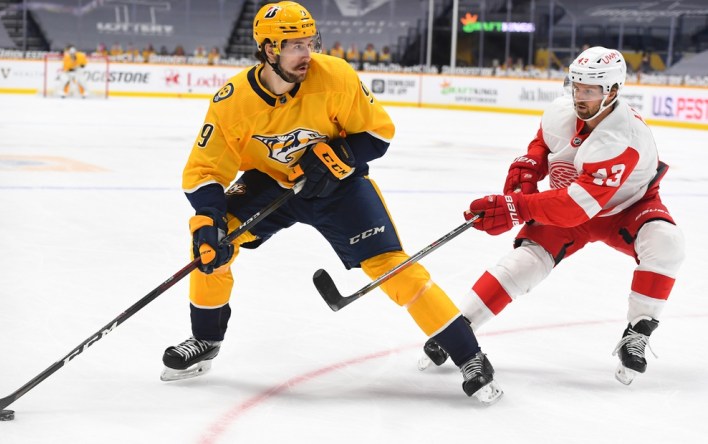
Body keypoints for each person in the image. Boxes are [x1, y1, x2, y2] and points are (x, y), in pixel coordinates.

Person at [160, 1, 503, 405]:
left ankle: (470, 356)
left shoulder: (335, 76)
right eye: (294, 45)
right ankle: (205, 339)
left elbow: (377, 135)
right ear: (268, 50)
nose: (307, 53)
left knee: (393, 268)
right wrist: (208, 222)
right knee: (212, 248)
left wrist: (337, 156)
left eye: (310, 42)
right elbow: (204, 172)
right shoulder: (231, 101)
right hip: (271, 184)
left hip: (338, 190)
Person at [418, 46, 685, 386]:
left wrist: (517, 207)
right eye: (576, 86)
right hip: (573, 200)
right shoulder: (560, 111)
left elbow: (576, 207)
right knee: (524, 263)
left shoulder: (622, 138)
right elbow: (543, 144)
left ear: (613, 91)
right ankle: (459, 329)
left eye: (589, 90)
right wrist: (528, 167)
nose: (579, 96)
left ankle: (638, 331)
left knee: (667, 244)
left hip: (626, 208)